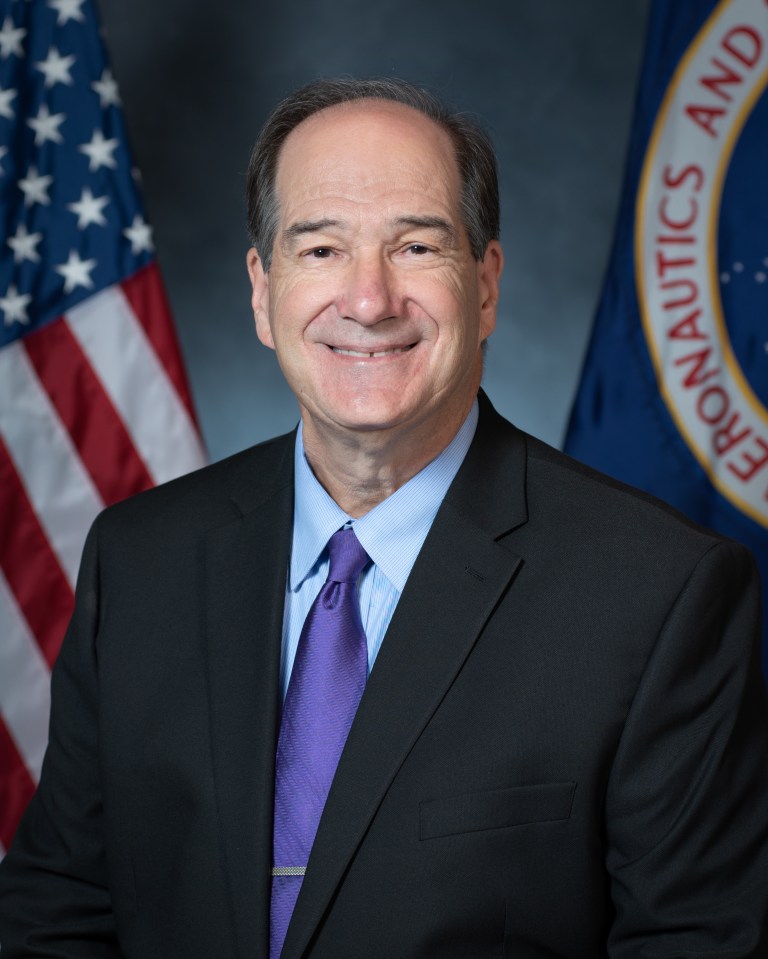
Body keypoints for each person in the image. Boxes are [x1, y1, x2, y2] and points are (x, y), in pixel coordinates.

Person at [1, 77, 767, 959]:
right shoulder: (139, 562)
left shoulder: (657, 594)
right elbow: (57, 910)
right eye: (321, 249)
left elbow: (696, 943)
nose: (369, 300)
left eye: (415, 246)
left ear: (485, 285)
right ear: (262, 290)